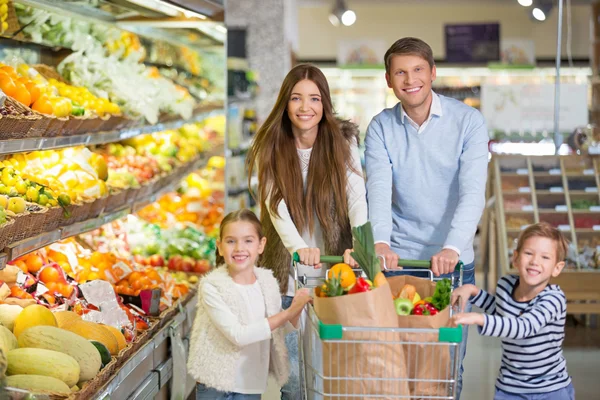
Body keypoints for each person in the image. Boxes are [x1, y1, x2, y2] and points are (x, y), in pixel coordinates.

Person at [364, 37, 489, 398]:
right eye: (400, 72)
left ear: (432, 73)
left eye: (418, 69)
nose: (410, 79)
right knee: (394, 364)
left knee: (446, 368)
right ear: (389, 80)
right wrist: (381, 242)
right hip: (400, 260)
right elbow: (378, 189)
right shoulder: (381, 127)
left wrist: (452, 248)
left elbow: (471, 192)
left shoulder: (468, 121)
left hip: (453, 264)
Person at [246, 63, 368, 400]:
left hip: (334, 273)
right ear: (285, 104)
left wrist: (361, 244)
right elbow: (274, 203)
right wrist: (299, 248)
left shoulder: (342, 141)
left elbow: (357, 197)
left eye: (314, 99)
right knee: (296, 379)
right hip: (288, 277)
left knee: (335, 373)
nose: (305, 107)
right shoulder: (272, 142)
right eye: (297, 98)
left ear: (325, 104)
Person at [187, 209, 312, 400]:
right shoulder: (213, 286)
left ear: (261, 245)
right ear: (220, 246)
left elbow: (278, 329)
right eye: (231, 241)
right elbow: (238, 335)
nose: (239, 248)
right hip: (215, 385)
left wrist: (296, 310)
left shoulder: (267, 282)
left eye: (248, 240)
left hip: (250, 384)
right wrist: (288, 313)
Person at [452, 222, 574, 400]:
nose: (535, 261)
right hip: (510, 387)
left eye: (545, 257)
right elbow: (500, 310)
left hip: (551, 389)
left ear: (557, 267)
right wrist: (473, 291)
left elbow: (523, 328)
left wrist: (479, 318)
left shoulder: (554, 299)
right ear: (515, 258)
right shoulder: (505, 285)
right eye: (529, 253)